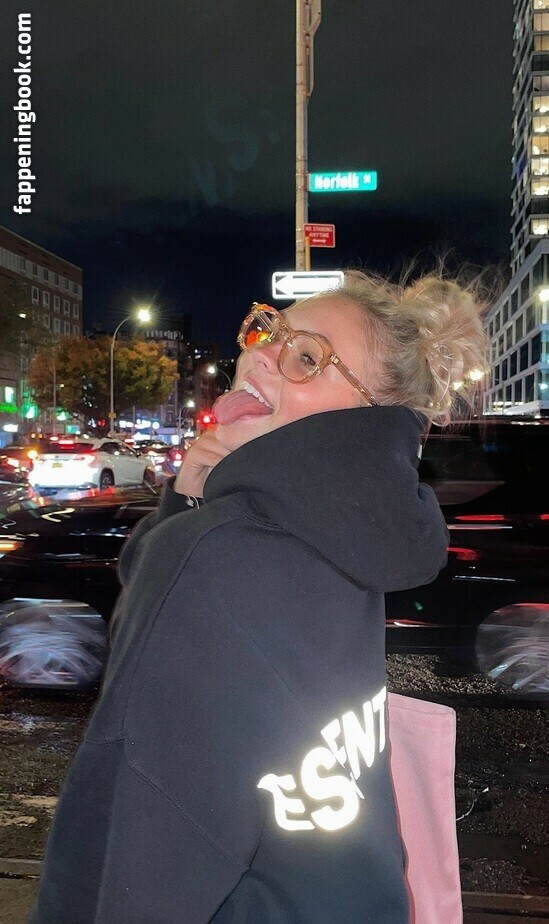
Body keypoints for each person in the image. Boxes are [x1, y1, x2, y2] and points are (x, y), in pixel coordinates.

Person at [31, 270, 487, 923]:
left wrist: (185, 526)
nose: (261, 355)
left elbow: (131, 847)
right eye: (270, 333)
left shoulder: (215, 554)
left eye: (306, 358)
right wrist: (187, 504)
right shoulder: (349, 532)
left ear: (363, 419)